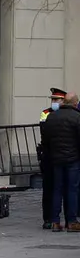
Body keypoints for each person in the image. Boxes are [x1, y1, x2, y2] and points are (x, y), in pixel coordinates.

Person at [41, 93, 80, 232]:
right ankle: (72, 221)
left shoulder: (51, 117)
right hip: (73, 159)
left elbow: (45, 140)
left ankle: (55, 221)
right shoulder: (77, 117)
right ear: (75, 103)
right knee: (72, 190)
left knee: (57, 190)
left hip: (56, 159)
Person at [38, 88, 66, 230]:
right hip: (49, 155)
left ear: (63, 101)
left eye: (57, 100)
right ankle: (48, 218)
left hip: (62, 154)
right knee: (48, 188)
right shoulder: (46, 113)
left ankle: (68, 218)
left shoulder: (68, 113)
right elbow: (44, 131)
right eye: (53, 99)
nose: (54, 102)